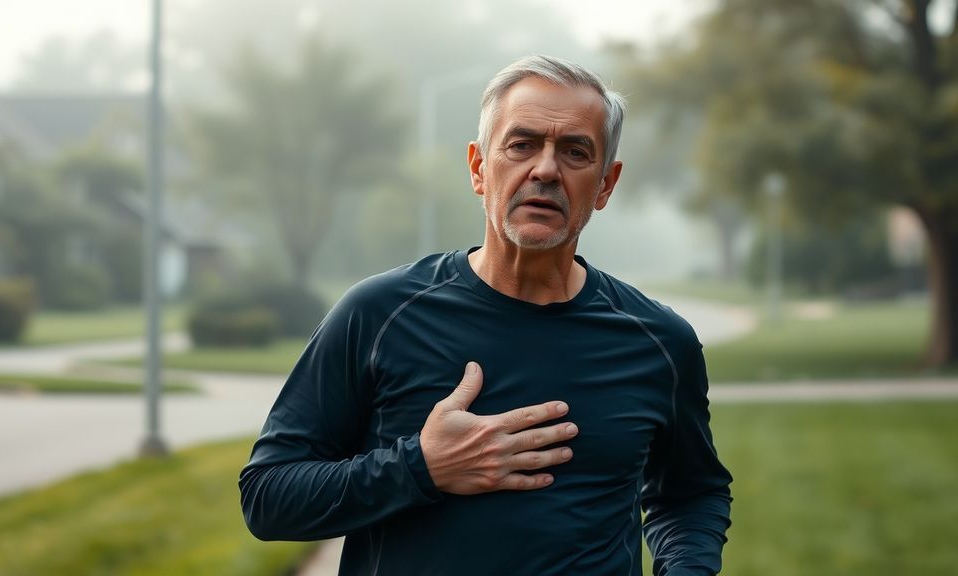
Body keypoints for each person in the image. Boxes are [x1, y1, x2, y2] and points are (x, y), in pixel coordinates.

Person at [240, 55, 732, 576]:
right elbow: (269, 497)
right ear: (479, 167)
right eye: (522, 145)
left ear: (606, 184)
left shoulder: (659, 342)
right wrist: (421, 468)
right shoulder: (379, 315)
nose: (545, 169)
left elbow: (690, 494)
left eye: (574, 151)